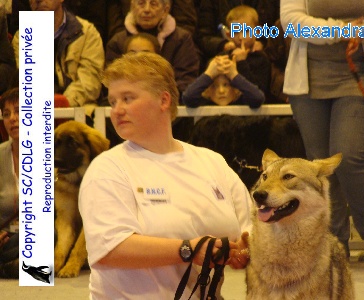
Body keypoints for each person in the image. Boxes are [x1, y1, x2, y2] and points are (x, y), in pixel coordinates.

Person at [79, 52, 251, 299]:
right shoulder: (108, 168)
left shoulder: (211, 162)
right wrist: (187, 249)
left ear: (163, 100)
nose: (117, 110)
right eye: (113, 101)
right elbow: (110, 249)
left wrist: (243, 251)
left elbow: (250, 229)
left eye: (128, 98)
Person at [281, 0, 364, 269]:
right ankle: (334, 244)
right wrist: (342, 31)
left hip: (363, 78)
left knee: (347, 155)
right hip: (308, 83)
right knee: (320, 164)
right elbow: (291, 21)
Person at [12, 0, 105, 113]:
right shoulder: (22, 37)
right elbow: (29, 85)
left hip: (79, 109)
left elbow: (90, 84)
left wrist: (60, 104)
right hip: (38, 111)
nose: (38, 0)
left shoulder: (87, 33)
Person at [105, 0, 199, 97]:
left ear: (165, 10)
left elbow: (185, 82)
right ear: (132, 7)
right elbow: (112, 83)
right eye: (141, 3)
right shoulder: (117, 42)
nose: (147, 9)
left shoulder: (181, 40)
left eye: (153, 4)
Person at [195, 0, 280, 62]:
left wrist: (262, 42)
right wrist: (223, 45)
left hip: (261, 57)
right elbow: (203, 35)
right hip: (223, 58)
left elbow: (278, 30)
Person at [223, 5, 271, 100]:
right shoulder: (224, 57)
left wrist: (241, 63)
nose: (241, 37)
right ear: (228, 35)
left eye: (246, 31)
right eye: (236, 32)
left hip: (254, 111)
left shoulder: (262, 59)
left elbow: (257, 93)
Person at [182, 54, 265, 107]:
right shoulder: (204, 103)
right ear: (208, 90)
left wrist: (234, 75)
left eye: (226, 84)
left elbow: (258, 98)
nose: (221, 91)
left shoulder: (242, 101)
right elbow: (188, 97)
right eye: (214, 86)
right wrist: (209, 74)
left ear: (235, 87)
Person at [0, 88, 19, 278]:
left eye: (20, 111)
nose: (12, 118)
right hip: (5, 240)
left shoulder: (54, 155)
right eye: (6, 114)